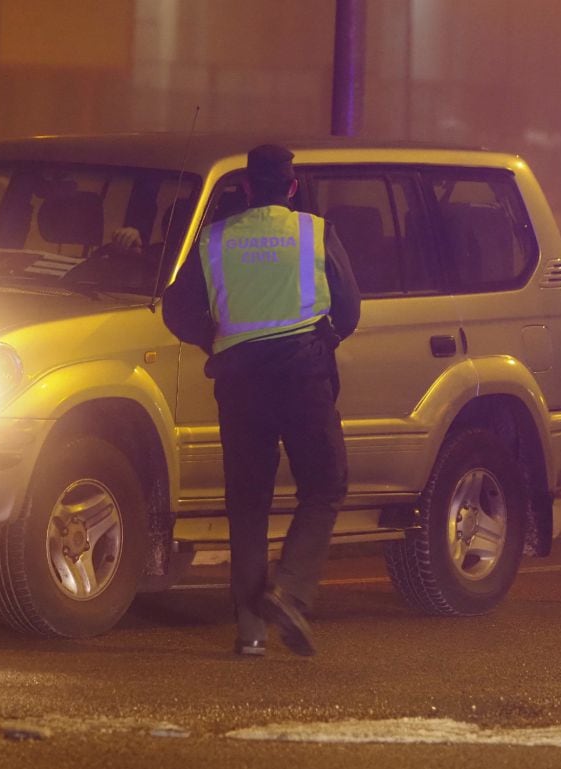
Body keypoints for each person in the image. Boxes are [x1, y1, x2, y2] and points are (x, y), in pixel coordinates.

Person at [162, 144, 361, 657]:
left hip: (239, 380)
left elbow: (177, 311)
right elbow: (350, 309)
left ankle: (250, 631)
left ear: (246, 188)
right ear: (291, 188)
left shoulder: (213, 240)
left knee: (247, 504)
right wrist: (324, 340)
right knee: (325, 485)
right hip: (302, 374)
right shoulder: (314, 233)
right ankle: (289, 591)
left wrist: (216, 340)